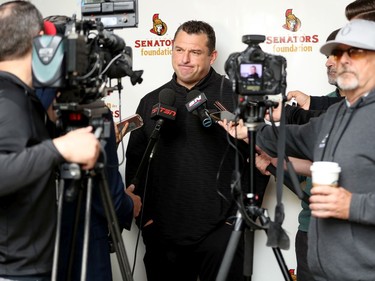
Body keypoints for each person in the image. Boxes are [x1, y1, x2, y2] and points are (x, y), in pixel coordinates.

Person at [125, 20, 270, 281]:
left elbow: (262, 160)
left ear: (212, 56)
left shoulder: (236, 98)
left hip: (222, 234)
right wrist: (145, 222)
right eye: (179, 50)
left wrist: (239, 220)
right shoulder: (151, 102)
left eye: (195, 52)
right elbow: (136, 164)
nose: (185, 60)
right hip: (162, 236)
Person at [255, 19, 375, 280]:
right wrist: (248, 130)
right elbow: (293, 138)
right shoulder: (336, 113)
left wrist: (352, 205)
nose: (340, 61)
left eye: (352, 52)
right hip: (323, 268)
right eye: (337, 53)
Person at [36, 15, 142, 281]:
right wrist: (129, 205)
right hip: (85, 242)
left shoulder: (26, 104)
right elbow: (106, 195)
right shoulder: (95, 114)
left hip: (32, 246)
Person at [0, 1, 100, 280]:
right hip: (16, 271)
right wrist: (60, 147)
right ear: (42, 40)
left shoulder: (19, 94)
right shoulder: (6, 99)